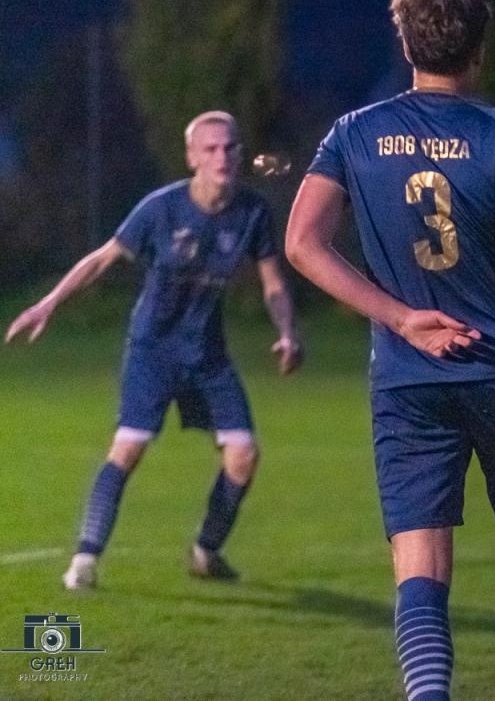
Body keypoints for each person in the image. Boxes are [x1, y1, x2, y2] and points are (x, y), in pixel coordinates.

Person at [286, 0, 495, 701]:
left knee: (420, 555)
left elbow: (303, 243)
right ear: (479, 49)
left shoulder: (352, 133)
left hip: (408, 376)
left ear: (406, 42)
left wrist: (398, 317)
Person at [5, 110, 302, 590]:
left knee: (243, 456)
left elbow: (273, 283)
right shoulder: (160, 209)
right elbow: (103, 259)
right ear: (191, 158)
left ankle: (205, 551)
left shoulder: (253, 212)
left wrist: (287, 330)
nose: (221, 156)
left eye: (229, 147)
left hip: (207, 354)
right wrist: (49, 304)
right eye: (209, 148)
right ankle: (85, 559)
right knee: (129, 448)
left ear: (240, 153)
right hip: (154, 350)